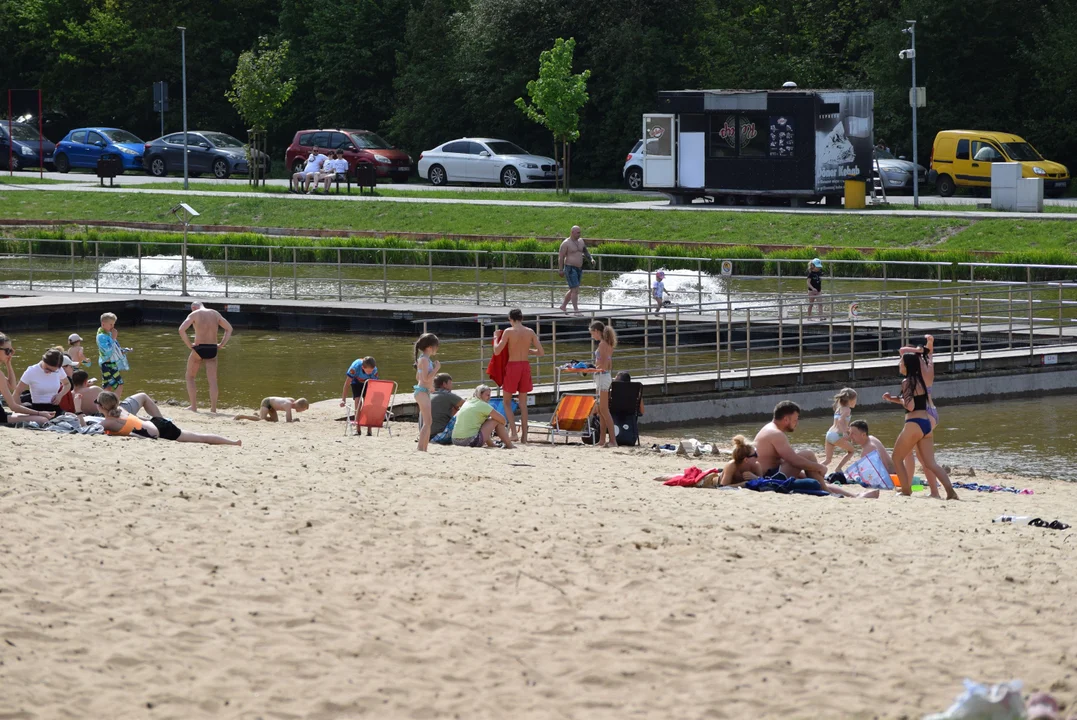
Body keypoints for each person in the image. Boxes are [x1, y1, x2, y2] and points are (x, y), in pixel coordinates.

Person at [753, 401, 875, 498]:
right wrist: (819, 467)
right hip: (771, 478)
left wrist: (811, 470)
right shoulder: (775, 433)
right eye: (795, 420)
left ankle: (853, 495)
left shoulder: (770, 429)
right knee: (807, 455)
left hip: (774, 473)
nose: (797, 423)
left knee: (817, 479)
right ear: (786, 419)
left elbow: (786, 459)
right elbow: (794, 460)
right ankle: (830, 494)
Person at [883, 353, 959, 500]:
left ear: (906, 365)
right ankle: (950, 492)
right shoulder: (921, 381)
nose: (899, 364)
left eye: (901, 362)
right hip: (926, 425)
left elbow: (910, 406)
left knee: (897, 458)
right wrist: (893, 399)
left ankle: (906, 491)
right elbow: (915, 402)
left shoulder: (906, 382)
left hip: (913, 424)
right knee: (931, 464)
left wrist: (900, 400)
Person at [97, 391, 241, 446]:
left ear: (102, 407)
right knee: (199, 437)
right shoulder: (120, 409)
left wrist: (78, 410)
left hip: (161, 430)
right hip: (158, 422)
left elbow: (84, 429)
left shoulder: (107, 422)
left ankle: (233, 443)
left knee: (199, 438)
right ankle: (233, 442)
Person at [492, 308, 545, 443]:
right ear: (522, 318)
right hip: (525, 366)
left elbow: (497, 351)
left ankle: (514, 432)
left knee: (506, 401)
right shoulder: (530, 332)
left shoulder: (509, 332)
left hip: (513, 366)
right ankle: (525, 436)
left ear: (511, 319)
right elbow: (541, 352)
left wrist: (495, 337)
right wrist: (529, 351)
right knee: (523, 404)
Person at [178, 301, 233, 414]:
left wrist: (189, 345)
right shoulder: (215, 314)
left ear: (193, 307)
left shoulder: (194, 314)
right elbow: (229, 329)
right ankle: (213, 409)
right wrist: (221, 345)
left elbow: (181, 329)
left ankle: (193, 406)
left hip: (199, 348)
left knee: (190, 377)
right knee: (212, 380)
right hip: (212, 348)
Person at [0, 333, 53, 426]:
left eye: (11, 351)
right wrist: (39, 413)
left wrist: (8, 363)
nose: (10, 354)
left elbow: (12, 386)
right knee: (42, 419)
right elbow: (13, 406)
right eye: (7, 351)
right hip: (1, 417)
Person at [450, 385, 514, 449]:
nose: (489, 398)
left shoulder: (468, 402)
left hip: (455, 440)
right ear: (480, 394)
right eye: (487, 395)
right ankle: (509, 445)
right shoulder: (482, 405)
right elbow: (503, 420)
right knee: (496, 420)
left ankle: (491, 444)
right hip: (469, 441)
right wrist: (502, 427)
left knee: (483, 422)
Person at [16, 347, 70, 415]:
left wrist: (60, 395)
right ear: (43, 359)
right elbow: (16, 394)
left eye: (53, 371)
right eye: (47, 368)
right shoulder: (31, 371)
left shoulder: (59, 370)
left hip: (55, 408)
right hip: (38, 409)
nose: (49, 372)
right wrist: (21, 408)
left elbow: (67, 384)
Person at [590, 320, 617, 448]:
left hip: (602, 376)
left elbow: (603, 364)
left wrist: (593, 368)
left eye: (592, 333)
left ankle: (613, 440)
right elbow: (608, 363)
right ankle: (602, 439)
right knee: (600, 410)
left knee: (604, 410)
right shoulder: (608, 344)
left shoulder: (602, 345)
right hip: (603, 376)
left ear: (597, 331)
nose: (592, 336)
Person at [413, 332, 440, 452]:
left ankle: (424, 448)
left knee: (428, 421)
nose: (437, 349)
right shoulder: (424, 360)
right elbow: (425, 378)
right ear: (430, 347)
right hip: (422, 392)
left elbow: (418, 378)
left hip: (424, 391)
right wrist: (436, 369)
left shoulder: (424, 360)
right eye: (436, 346)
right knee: (427, 421)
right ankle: (420, 447)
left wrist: (430, 386)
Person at [341, 356, 379, 435]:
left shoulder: (374, 370)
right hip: (356, 382)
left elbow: (375, 386)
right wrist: (343, 399)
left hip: (368, 383)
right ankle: (358, 429)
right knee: (358, 403)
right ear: (362, 367)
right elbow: (347, 384)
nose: (369, 373)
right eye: (367, 371)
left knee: (368, 405)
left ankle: (369, 430)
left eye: (371, 371)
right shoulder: (355, 368)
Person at [96, 312, 129, 399]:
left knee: (108, 386)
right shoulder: (101, 336)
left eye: (113, 324)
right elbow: (108, 351)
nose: (113, 326)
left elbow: (115, 348)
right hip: (108, 364)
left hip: (109, 364)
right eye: (111, 324)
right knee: (119, 384)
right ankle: (115, 403)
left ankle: (103, 403)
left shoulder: (108, 334)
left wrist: (122, 351)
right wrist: (113, 338)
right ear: (103, 324)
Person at [823, 388, 857, 470]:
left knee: (827, 460)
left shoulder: (838, 408)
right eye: (856, 399)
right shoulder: (847, 410)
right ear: (850, 400)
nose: (856, 401)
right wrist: (845, 432)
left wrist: (848, 429)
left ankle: (814, 471)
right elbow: (840, 421)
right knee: (851, 451)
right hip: (837, 435)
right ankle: (838, 468)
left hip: (829, 434)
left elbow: (839, 423)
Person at [557, 225, 587, 315]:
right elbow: (561, 257)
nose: (579, 234)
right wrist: (560, 269)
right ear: (572, 232)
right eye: (577, 232)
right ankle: (576, 310)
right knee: (575, 289)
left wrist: (591, 259)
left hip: (579, 268)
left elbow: (585, 251)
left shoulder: (581, 241)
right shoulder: (566, 243)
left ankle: (563, 306)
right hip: (570, 268)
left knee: (574, 289)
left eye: (580, 232)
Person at [429, 372, 464, 438]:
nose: (452, 385)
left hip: (425, 434)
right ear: (444, 384)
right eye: (450, 383)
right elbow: (468, 406)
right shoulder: (447, 395)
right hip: (440, 434)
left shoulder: (429, 395)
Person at [234, 397, 309, 422]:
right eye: (303, 409)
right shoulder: (288, 405)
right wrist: (295, 420)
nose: (302, 411)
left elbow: (280, 400)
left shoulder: (292, 400)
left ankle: (258, 414)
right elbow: (288, 421)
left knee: (275, 420)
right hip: (267, 402)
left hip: (272, 406)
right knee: (261, 419)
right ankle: (241, 416)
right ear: (300, 407)